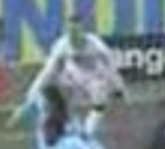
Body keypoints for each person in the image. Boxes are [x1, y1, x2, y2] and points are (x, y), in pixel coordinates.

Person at [17, 13, 126, 142]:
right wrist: (30, 94)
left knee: (100, 94)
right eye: (70, 31)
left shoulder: (96, 44)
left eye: (76, 31)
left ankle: (88, 130)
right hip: (72, 79)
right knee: (53, 88)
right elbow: (46, 72)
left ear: (83, 31)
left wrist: (119, 87)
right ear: (67, 31)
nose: (73, 36)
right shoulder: (61, 45)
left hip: (93, 78)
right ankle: (56, 124)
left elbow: (111, 67)